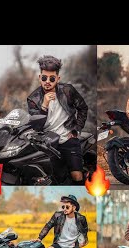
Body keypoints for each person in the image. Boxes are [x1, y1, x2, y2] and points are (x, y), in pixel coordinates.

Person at [27, 55, 88, 183]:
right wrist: (44, 105)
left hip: (68, 138)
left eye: (52, 78)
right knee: (55, 179)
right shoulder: (33, 98)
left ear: (58, 79)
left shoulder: (67, 91)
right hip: (47, 143)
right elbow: (36, 126)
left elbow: (83, 108)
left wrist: (77, 129)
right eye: (44, 78)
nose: (47, 81)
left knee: (77, 176)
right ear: (40, 78)